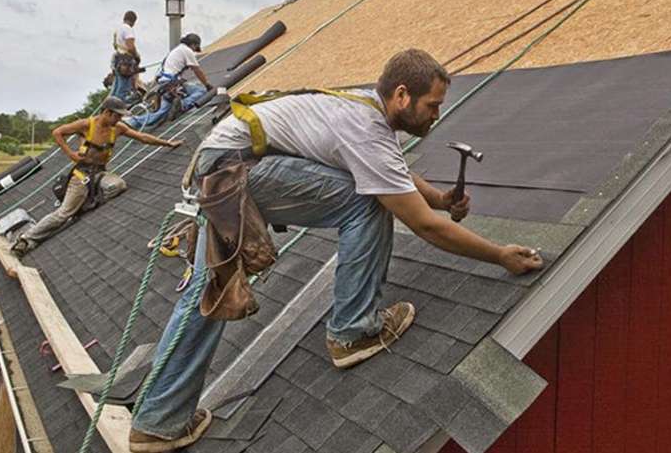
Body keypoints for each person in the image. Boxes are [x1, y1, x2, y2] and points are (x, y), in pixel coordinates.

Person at [128, 49, 543, 452]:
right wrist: (499, 254)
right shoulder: (364, 128)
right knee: (369, 200)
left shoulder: (364, 110)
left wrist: (438, 197)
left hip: (224, 164)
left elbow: (391, 169)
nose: (436, 115)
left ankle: (158, 422)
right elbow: (422, 224)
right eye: (433, 105)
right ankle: (353, 331)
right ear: (402, 95)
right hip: (235, 169)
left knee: (211, 287)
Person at [12, 97, 183, 256]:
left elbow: (142, 137)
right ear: (107, 112)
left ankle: (86, 203)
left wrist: (167, 143)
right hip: (81, 175)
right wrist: (70, 154)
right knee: (63, 214)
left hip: (100, 173)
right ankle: (26, 239)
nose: (119, 119)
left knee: (118, 185)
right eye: (117, 115)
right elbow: (58, 132)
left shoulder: (118, 128)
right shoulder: (87, 124)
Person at [124, 33, 213, 129]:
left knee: (162, 112)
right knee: (201, 90)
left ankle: (132, 122)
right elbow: (197, 70)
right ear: (193, 44)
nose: (194, 51)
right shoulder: (187, 51)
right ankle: (182, 105)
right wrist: (207, 84)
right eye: (195, 48)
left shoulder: (178, 49)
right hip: (171, 83)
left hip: (165, 83)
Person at [110, 10, 142, 103]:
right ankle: (116, 112)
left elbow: (115, 46)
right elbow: (130, 46)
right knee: (123, 89)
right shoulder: (128, 29)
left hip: (118, 60)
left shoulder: (118, 30)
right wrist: (137, 56)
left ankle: (108, 110)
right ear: (133, 21)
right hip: (125, 62)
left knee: (116, 89)